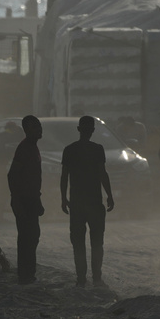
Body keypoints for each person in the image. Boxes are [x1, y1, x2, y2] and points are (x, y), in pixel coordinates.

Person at [60, 116, 115, 288]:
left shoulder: (69, 150)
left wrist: (63, 198)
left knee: (78, 242)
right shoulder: (98, 149)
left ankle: (81, 278)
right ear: (92, 130)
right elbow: (102, 174)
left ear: (78, 129)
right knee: (97, 241)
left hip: (77, 203)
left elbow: (64, 176)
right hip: (94, 202)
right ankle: (96, 277)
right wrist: (110, 195)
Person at [7, 115, 45, 285]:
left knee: (32, 236)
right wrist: (16, 200)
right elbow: (12, 174)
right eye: (33, 127)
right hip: (24, 200)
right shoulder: (24, 148)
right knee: (27, 237)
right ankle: (25, 275)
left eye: (38, 126)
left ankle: (28, 273)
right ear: (26, 130)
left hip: (31, 199)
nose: (38, 129)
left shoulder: (33, 147)